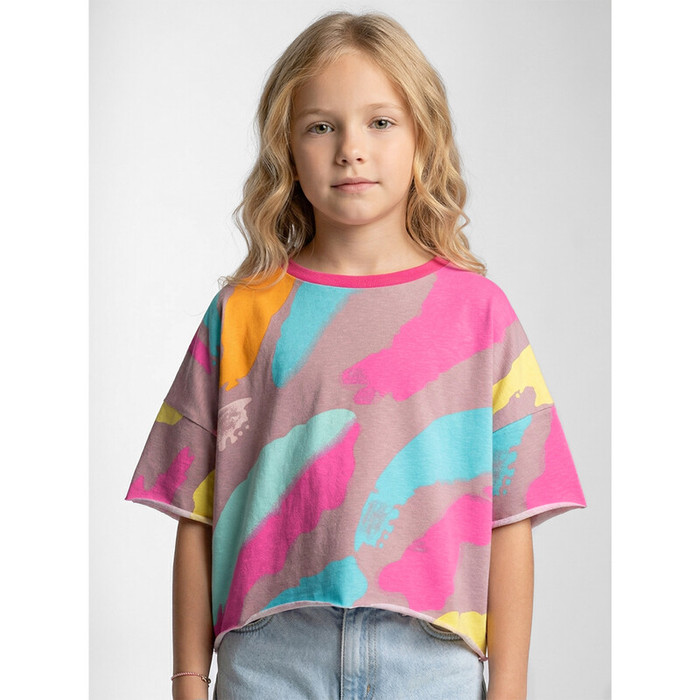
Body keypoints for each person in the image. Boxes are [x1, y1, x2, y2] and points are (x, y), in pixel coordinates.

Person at [126, 10, 586, 700]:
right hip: (269, 661)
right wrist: (189, 680)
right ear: (286, 149)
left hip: (432, 664)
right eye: (321, 126)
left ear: (423, 137)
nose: (351, 149)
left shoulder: (479, 313)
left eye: (380, 122)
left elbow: (510, 521)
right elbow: (198, 516)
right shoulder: (242, 312)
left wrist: (509, 688)